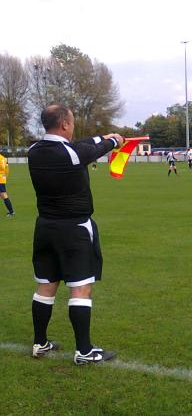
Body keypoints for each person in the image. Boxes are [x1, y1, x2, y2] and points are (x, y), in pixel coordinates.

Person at [27, 104, 124, 365]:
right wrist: (113, 141)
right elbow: (90, 150)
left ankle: (40, 342)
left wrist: (103, 137)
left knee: (46, 285)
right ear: (65, 125)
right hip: (74, 229)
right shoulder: (71, 153)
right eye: (72, 122)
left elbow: (82, 145)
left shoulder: (33, 151)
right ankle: (84, 350)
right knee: (81, 288)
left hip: (45, 227)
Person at [0, 150, 15, 216]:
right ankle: (11, 211)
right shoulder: (4, 158)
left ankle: (11, 212)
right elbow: (7, 170)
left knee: (3, 194)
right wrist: (4, 176)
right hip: (2, 178)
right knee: (3, 194)